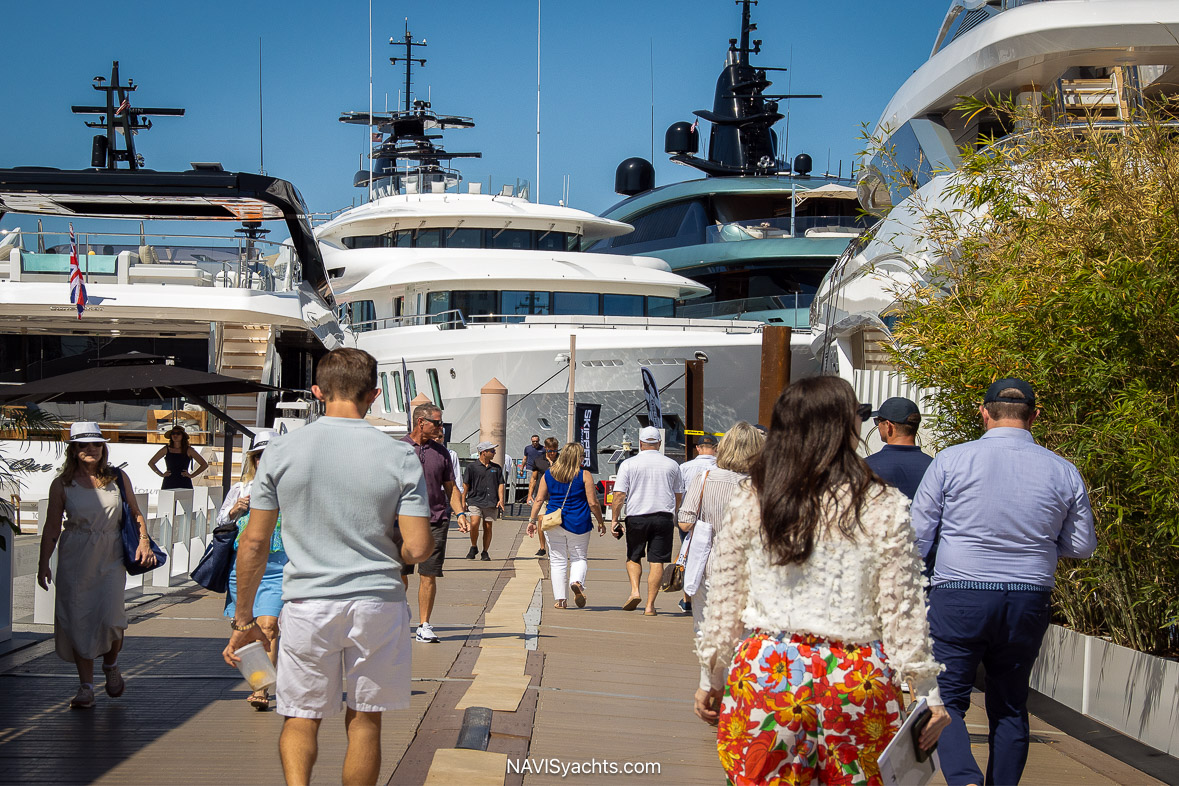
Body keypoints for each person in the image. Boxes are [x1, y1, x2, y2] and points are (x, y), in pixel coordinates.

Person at [695, 377, 949, 784]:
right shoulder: (883, 503)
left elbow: (724, 598)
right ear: (848, 429)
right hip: (854, 675)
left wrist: (712, 676)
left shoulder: (756, 498)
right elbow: (903, 608)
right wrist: (926, 693)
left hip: (768, 672)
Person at [223, 347, 432, 786]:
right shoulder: (399, 456)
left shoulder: (281, 453)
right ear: (374, 395)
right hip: (377, 603)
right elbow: (417, 548)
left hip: (307, 604)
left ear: (318, 391)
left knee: (300, 717)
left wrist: (244, 619)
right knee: (365, 721)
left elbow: (255, 542)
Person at [911, 378, 1096, 786]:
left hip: (959, 594)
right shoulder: (1063, 470)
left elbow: (917, 536)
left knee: (946, 699)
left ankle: (964, 779)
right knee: (1011, 704)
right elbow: (1082, 545)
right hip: (1028, 596)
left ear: (984, 411)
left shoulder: (951, 460)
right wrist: (1039, 543)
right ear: (1035, 416)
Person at [37, 422, 159, 709]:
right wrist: (44, 564)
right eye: (83, 445)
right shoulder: (62, 484)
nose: (90, 449)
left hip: (111, 553)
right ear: (74, 450)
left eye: (95, 444)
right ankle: (86, 686)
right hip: (76, 554)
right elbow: (52, 526)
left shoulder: (117, 477)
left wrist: (143, 541)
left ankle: (112, 664)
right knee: (78, 620)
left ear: (103, 448)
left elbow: (134, 512)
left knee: (112, 617)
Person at [678, 422, 764, 650]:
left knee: (706, 631)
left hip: (709, 565)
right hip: (749, 571)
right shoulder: (762, 483)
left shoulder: (705, 478)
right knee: (744, 636)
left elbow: (685, 522)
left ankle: (711, 681)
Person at [219, 428, 284, 711]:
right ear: (254, 460)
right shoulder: (240, 488)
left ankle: (261, 689)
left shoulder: (291, 489)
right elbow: (220, 523)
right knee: (246, 628)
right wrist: (235, 511)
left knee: (269, 626)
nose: (264, 462)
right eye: (260, 457)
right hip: (243, 568)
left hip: (278, 566)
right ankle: (257, 680)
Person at [400, 402, 469, 643]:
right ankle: (399, 615)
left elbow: (451, 489)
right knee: (400, 574)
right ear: (421, 422)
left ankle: (424, 624)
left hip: (436, 519)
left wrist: (460, 514)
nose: (441, 427)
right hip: (402, 522)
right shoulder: (398, 449)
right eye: (437, 423)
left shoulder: (442, 454)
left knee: (429, 574)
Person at [611, 426, 684, 615]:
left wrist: (614, 519)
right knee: (657, 560)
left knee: (633, 556)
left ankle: (635, 591)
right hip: (663, 517)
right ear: (659, 443)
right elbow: (678, 495)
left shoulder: (629, 464)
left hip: (637, 516)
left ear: (641, 444)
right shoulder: (672, 465)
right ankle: (650, 606)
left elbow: (619, 494)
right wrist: (674, 513)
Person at [526, 442, 607, 608]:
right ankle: (576, 582)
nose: (584, 458)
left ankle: (561, 600)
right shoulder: (584, 475)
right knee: (578, 557)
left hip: (553, 520)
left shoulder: (549, 474)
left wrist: (532, 521)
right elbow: (593, 502)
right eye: (582, 456)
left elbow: (539, 499)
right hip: (579, 521)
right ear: (577, 458)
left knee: (557, 561)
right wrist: (600, 521)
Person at [676, 433, 719, 612]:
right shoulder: (720, 467)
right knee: (713, 558)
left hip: (689, 519)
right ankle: (711, 599)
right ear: (716, 448)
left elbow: (678, 493)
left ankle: (688, 599)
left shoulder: (684, 467)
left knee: (688, 556)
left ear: (698, 448)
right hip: (713, 519)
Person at [864, 396, 932, 500]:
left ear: (888, 426)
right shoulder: (935, 466)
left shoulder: (866, 467)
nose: (877, 426)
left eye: (878, 421)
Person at [463, 441, 505, 561]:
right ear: (483, 452)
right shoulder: (472, 467)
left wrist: (501, 499)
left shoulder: (496, 468)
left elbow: (500, 484)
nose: (494, 453)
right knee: (474, 523)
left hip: (490, 500)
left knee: (488, 526)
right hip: (475, 499)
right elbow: (466, 484)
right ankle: (473, 546)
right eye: (492, 451)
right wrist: (462, 500)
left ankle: (485, 552)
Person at [527, 437, 561, 557]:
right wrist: (529, 494)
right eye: (550, 451)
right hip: (542, 495)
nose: (552, 453)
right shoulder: (538, 460)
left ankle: (554, 547)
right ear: (545, 449)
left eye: (555, 451)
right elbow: (534, 478)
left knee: (554, 522)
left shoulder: (561, 460)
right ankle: (542, 547)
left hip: (557, 496)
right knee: (541, 520)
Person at [148, 425, 209, 490]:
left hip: (184, 481)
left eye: (178, 433)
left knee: (185, 499)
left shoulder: (189, 450)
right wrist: (161, 474)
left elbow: (204, 464)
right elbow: (151, 463)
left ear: (182, 436)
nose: (175, 435)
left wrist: (192, 475)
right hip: (169, 481)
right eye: (173, 433)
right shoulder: (166, 449)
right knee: (167, 500)